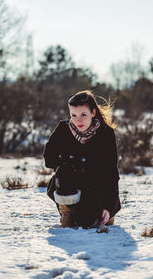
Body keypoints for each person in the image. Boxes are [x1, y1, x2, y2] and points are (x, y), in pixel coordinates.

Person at [43, 90, 121, 229]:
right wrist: (64, 167)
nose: (78, 120)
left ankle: (102, 214)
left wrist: (109, 208)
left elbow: (111, 174)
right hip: (70, 185)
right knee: (64, 173)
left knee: (90, 223)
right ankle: (67, 212)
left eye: (83, 115)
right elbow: (49, 157)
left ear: (93, 113)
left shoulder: (105, 134)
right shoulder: (63, 130)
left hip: (96, 188)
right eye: (74, 115)